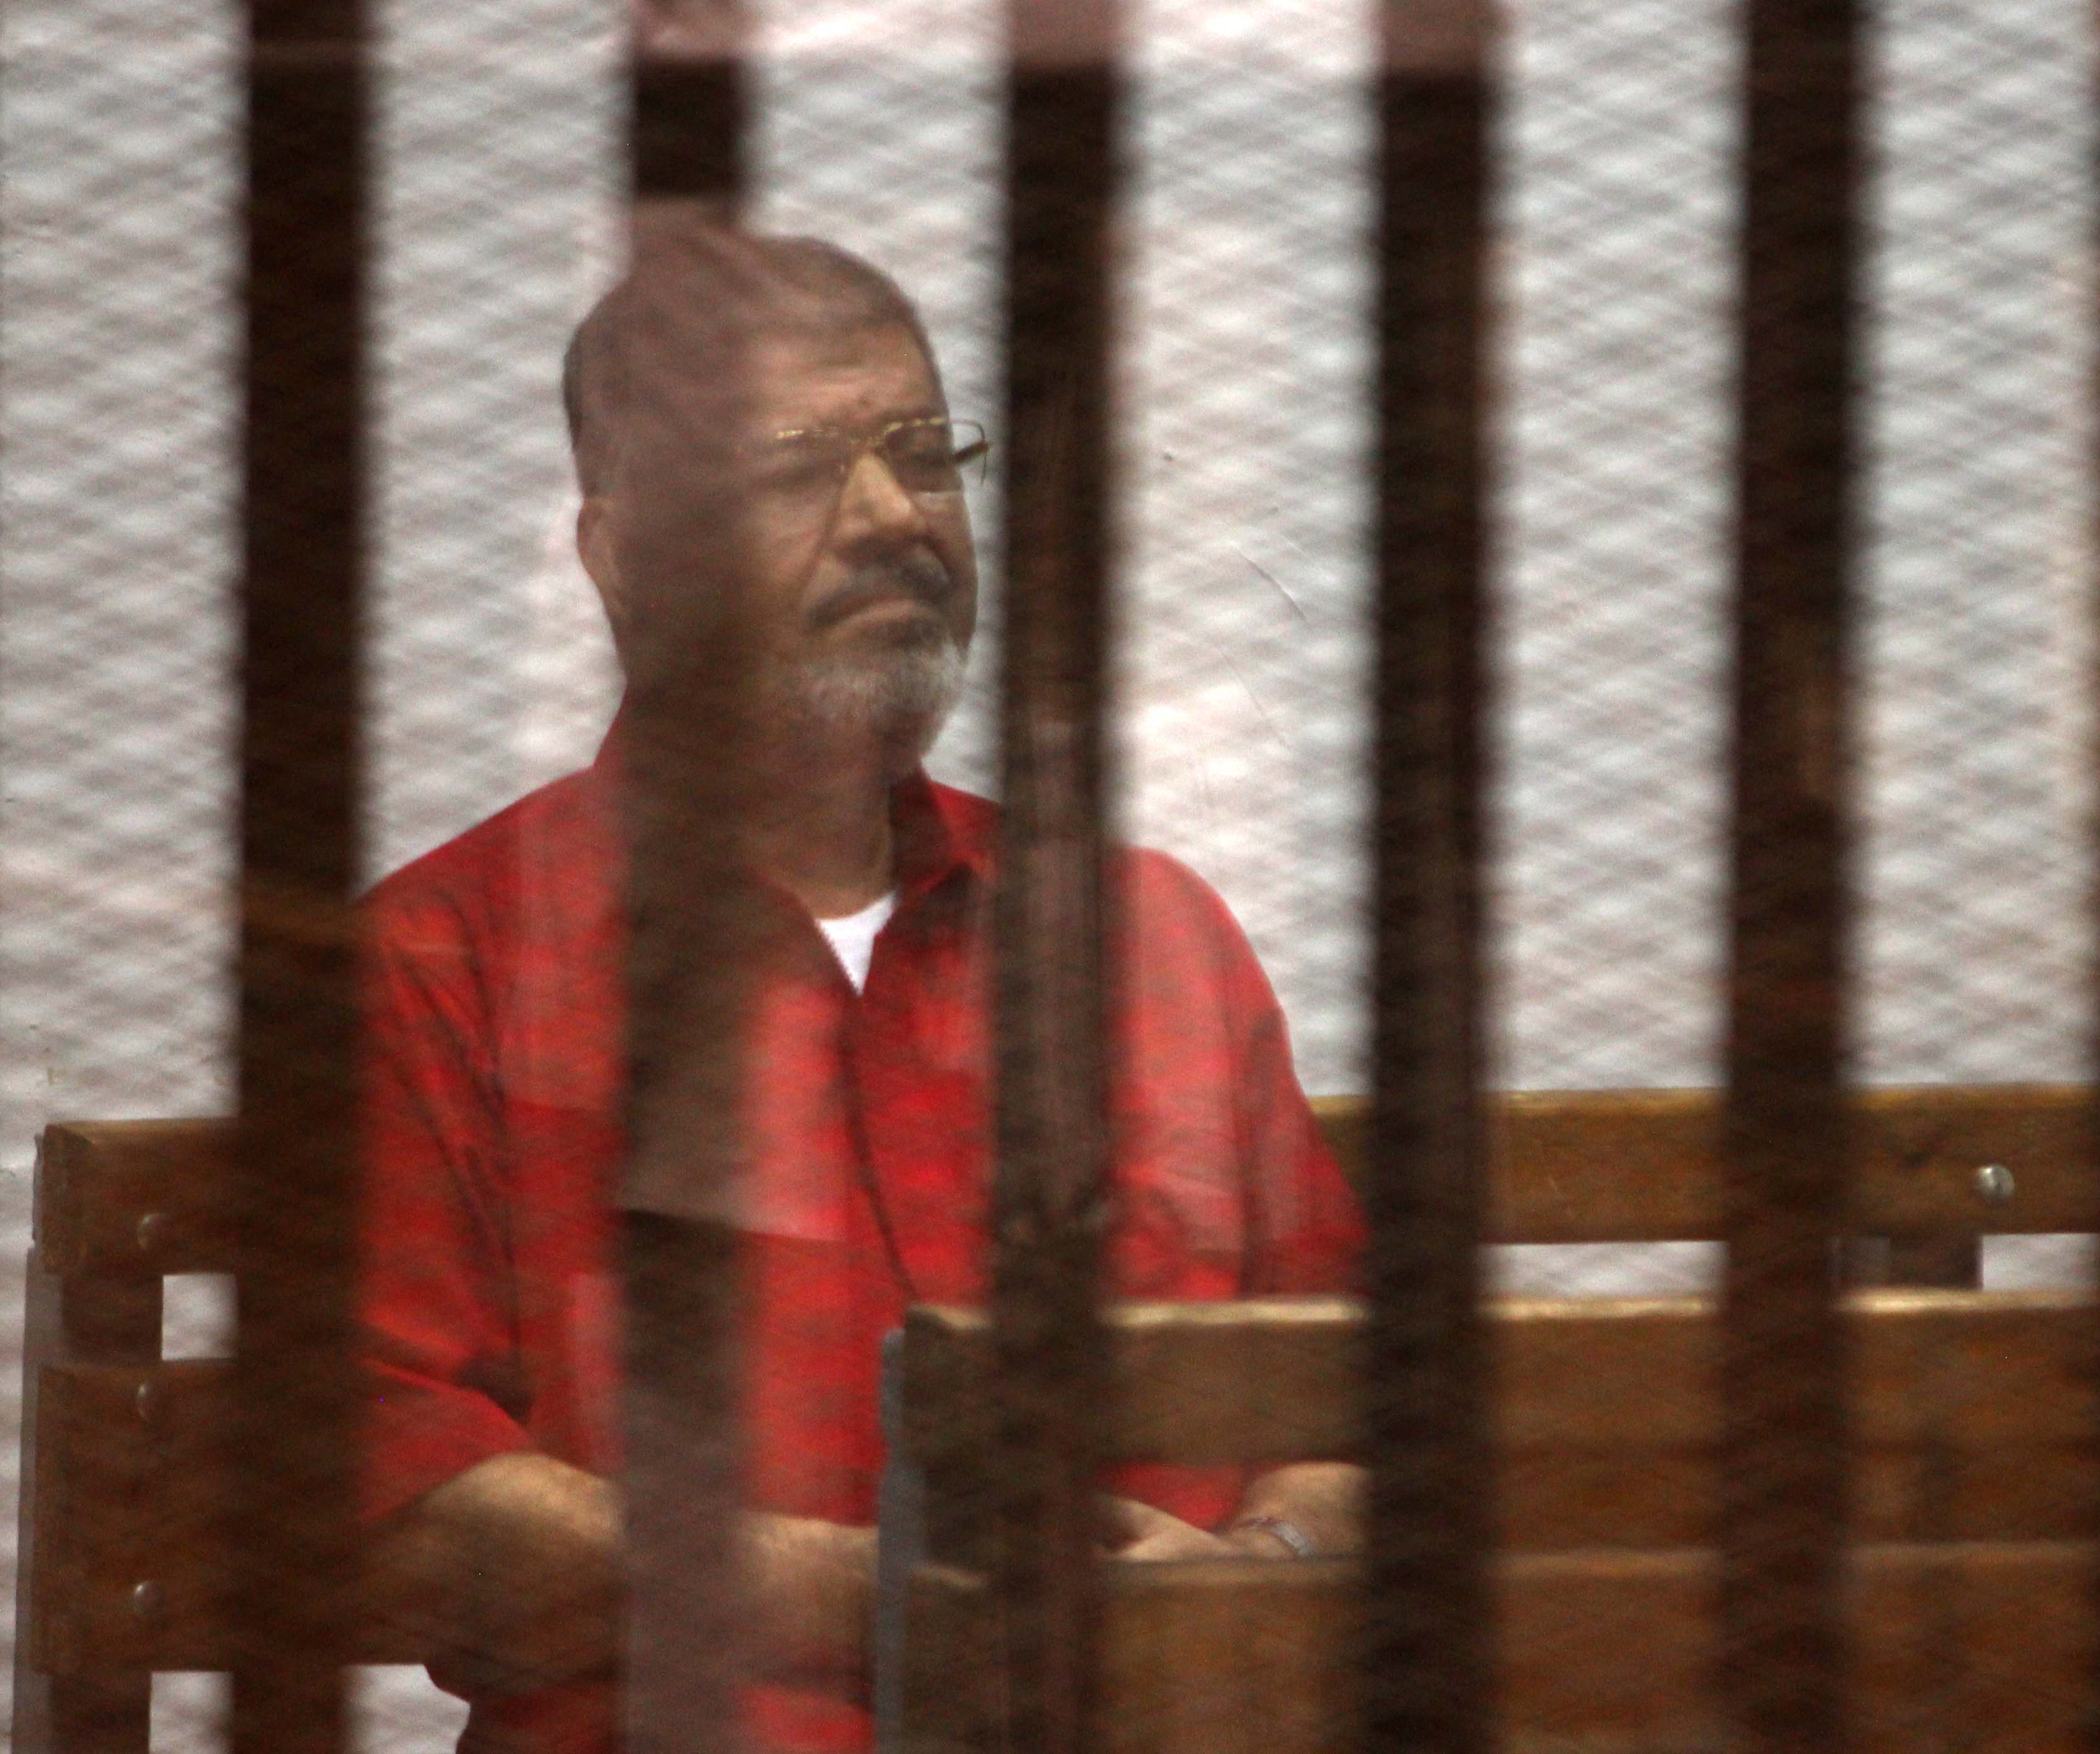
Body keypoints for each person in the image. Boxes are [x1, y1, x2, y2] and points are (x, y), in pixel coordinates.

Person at [357, 219, 1362, 1754]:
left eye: (924, 453)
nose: (893, 514)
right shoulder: (447, 964)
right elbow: (399, 1510)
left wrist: (1252, 1583)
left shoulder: (1143, 938)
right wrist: (916, 1599)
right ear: (622, 555)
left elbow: (1353, 1396)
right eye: (796, 468)